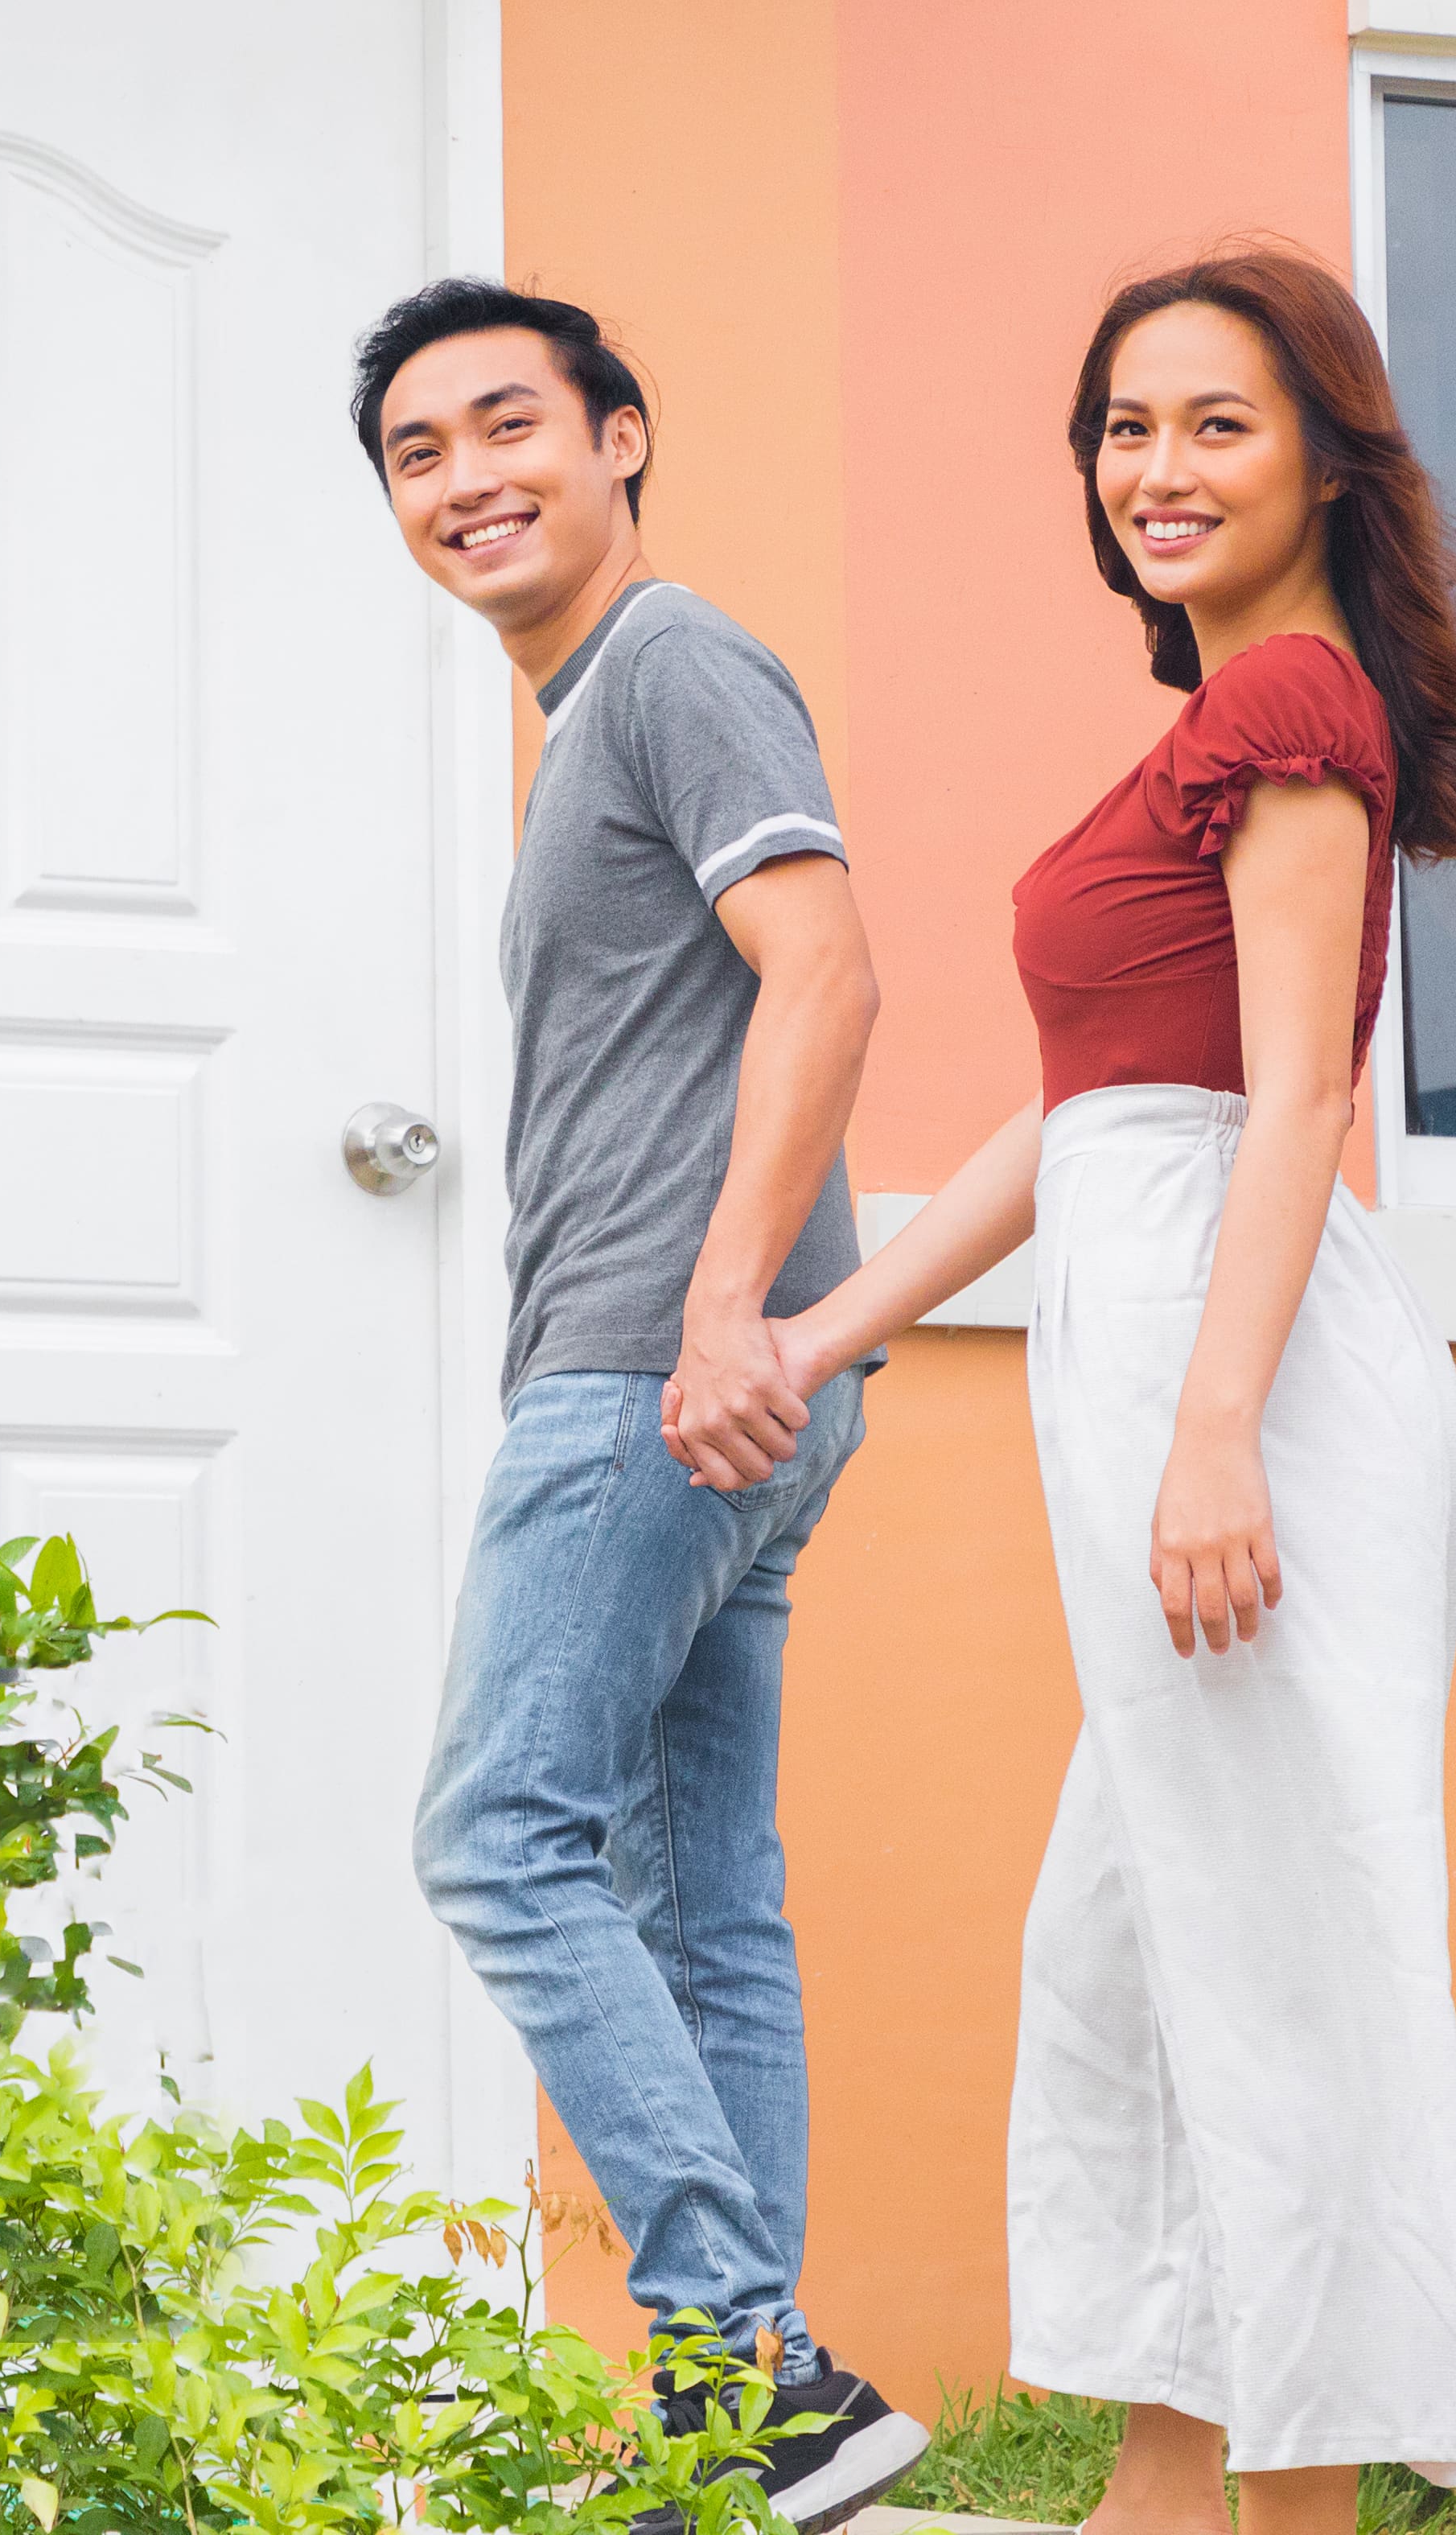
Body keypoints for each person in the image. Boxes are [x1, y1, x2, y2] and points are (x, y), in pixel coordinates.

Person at [738, 249, 1456, 2525]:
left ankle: (1286, 2510)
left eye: (1216, 424)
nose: (1157, 468)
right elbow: (1090, 1116)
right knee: (1136, 1933)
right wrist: (825, 1325)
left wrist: (1210, 1431)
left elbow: (1296, 1106)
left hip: (1243, 1372)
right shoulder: (1214, 727)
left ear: (1320, 460)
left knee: (1279, 1954)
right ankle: (1157, 2496)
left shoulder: (1294, 716)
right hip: (1164, 1306)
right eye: (1125, 428)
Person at [356, 278, 927, 2532]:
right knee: (700, 1901)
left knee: (498, 1834)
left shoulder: (676, 665)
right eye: (417, 452)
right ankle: (749, 2439)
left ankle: (752, 2361)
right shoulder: (594, 711)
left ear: (622, 439)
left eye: (510, 425)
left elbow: (834, 965)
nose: (466, 478)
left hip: (660, 1363)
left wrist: (717, 1314)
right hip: (729, 1368)